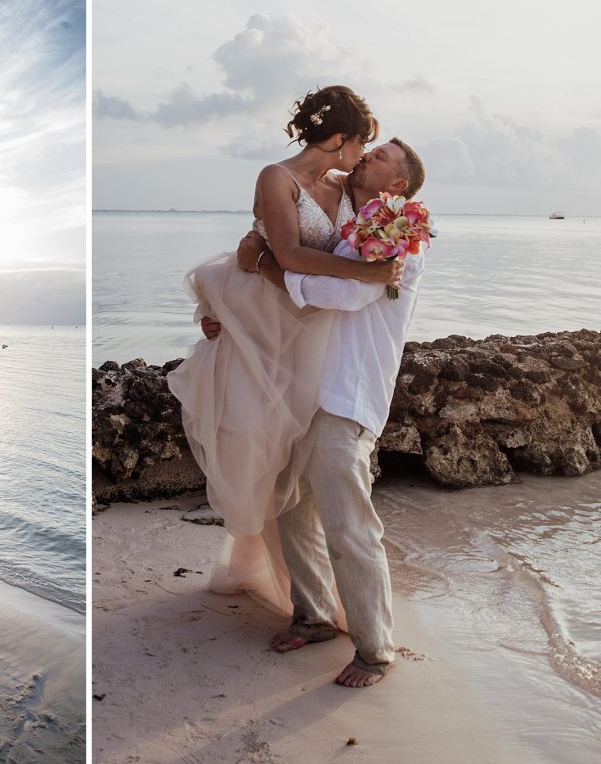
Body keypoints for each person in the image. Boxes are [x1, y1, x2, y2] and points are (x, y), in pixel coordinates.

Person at [203, 137, 428, 688]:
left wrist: (266, 267)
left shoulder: (402, 232)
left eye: (379, 157)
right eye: (366, 148)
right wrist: (230, 313)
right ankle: (314, 614)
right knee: (289, 501)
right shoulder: (341, 213)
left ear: (397, 185)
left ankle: (375, 648)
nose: (366, 156)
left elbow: (341, 295)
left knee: (348, 520)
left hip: (348, 392)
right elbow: (292, 276)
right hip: (301, 385)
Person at [167, 86, 399, 617]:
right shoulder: (277, 177)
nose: (363, 154)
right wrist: (364, 273)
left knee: (297, 457)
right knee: (267, 453)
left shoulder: (345, 183)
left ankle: (317, 599)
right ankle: (283, 585)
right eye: (362, 143)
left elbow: (375, 228)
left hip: (311, 326)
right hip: (263, 317)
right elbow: (290, 253)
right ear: (339, 138)